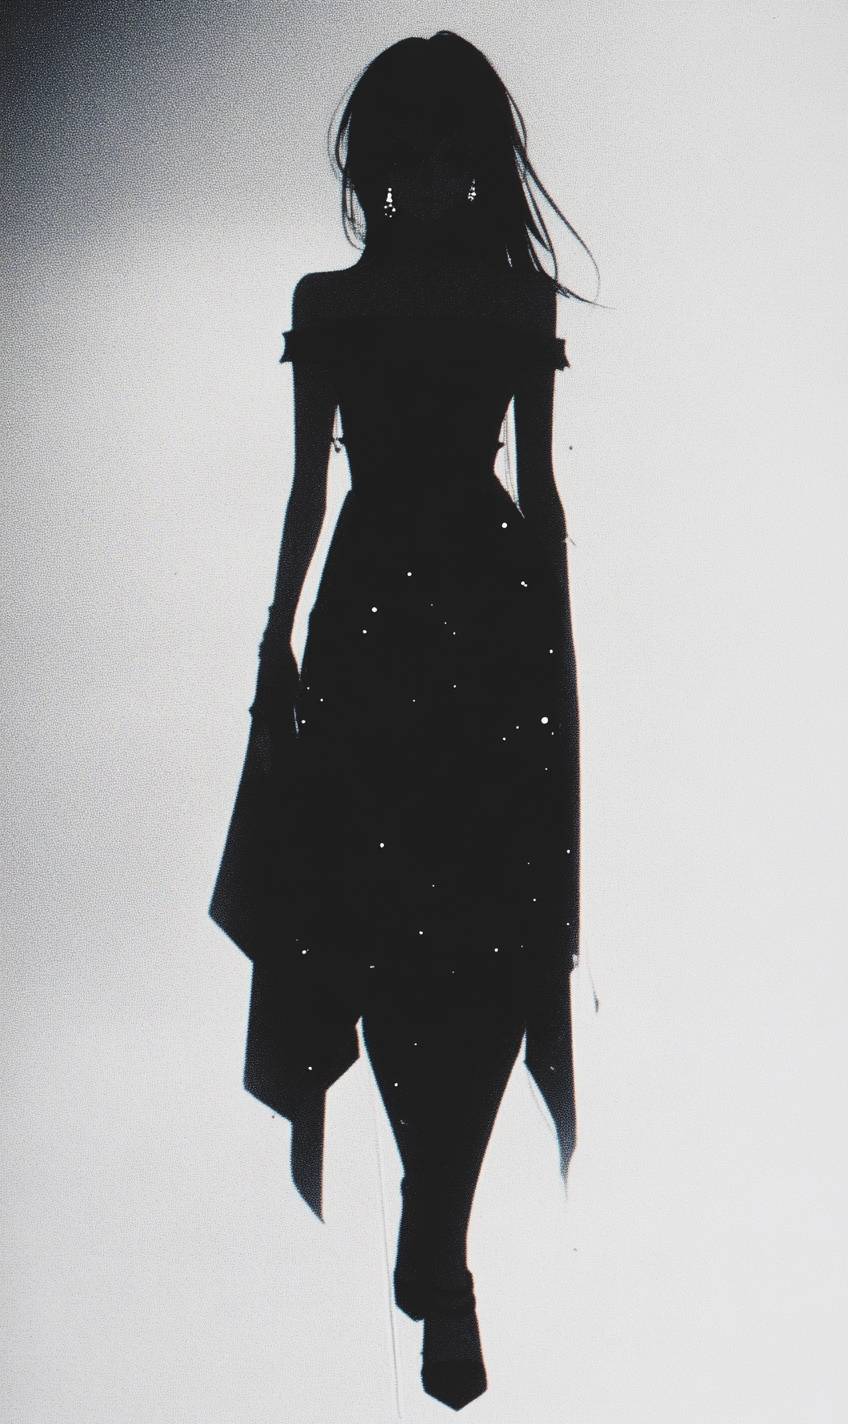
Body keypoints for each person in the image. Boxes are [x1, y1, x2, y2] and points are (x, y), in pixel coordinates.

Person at [209, 29, 599, 1412]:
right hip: (372, 616)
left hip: (489, 622)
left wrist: (557, 651)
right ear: (379, 168)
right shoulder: (331, 303)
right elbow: (306, 492)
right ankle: (441, 1240)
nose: (431, 179)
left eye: (452, 155)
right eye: (409, 156)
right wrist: (273, 639)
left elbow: (541, 492)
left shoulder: (513, 301)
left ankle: (436, 1227)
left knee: (494, 933)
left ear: (476, 166)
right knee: (374, 930)